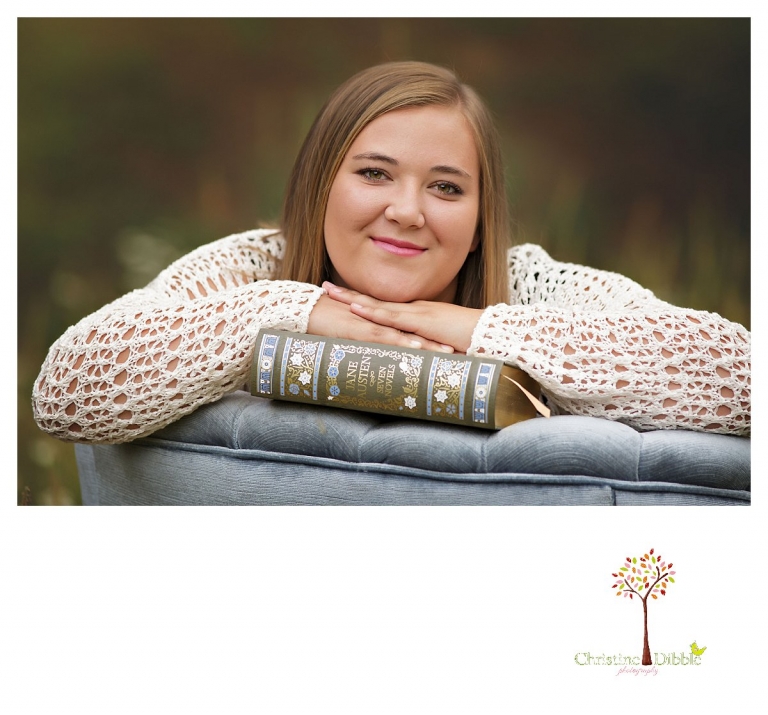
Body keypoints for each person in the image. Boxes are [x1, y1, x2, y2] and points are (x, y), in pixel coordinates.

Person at [31, 61, 751, 444]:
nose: (406, 211)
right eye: (374, 173)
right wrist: (298, 310)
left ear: (479, 217)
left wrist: (474, 329)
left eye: (445, 186)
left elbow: (742, 376)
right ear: (321, 185)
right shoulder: (254, 266)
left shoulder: (526, 282)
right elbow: (64, 388)